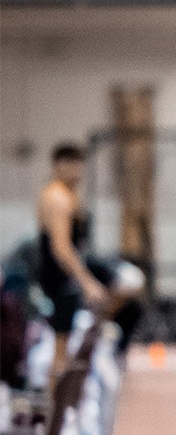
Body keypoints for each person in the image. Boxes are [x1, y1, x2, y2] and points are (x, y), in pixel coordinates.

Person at [36, 143, 108, 376]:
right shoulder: (57, 197)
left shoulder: (70, 195)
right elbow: (61, 247)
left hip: (64, 276)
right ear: (59, 167)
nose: (78, 173)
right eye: (72, 167)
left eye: (80, 167)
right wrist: (87, 283)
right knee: (60, 350)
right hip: (57, 278)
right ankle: (55, 407)